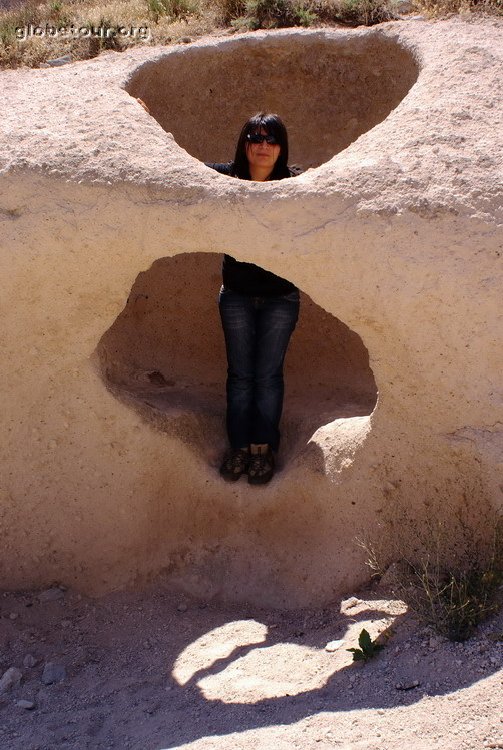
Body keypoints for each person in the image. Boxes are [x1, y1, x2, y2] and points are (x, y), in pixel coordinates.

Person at [206, 113, 301, 485]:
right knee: (241, 377)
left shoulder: (297, 182)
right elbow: (175, 165)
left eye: (272, 139)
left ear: (281, 146)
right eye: (256, 137)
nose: (264, 145)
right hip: (237, 297)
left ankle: (263, 449)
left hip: (281, 298)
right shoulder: (225, 176)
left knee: (268, 376)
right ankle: (240, 447)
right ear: (244, 143)